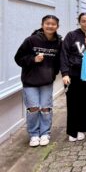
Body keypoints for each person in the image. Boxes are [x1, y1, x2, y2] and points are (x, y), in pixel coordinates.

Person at [15, 15, 61, 147]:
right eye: (47, 23)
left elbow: (58, 61)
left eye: (53, 24)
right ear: (42, 25)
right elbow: (18, 58)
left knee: (46, 109)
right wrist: (33, 59)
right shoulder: (31, 40)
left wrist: (53, 73)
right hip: (30, 81)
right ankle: (34, 134)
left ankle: (45, 133)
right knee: (33, 108)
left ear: (57, 26)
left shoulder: (58, 42)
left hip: (46, 81)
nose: (50, 26)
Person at [60, 13, 86, 142]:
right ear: (79, 22)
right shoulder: (71, 35)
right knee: (73, 102)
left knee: (85, 102)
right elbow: (64, 54)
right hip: (73, 74)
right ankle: (72, 130)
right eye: (83, 21)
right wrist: (64, 73)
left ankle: (82, 128)